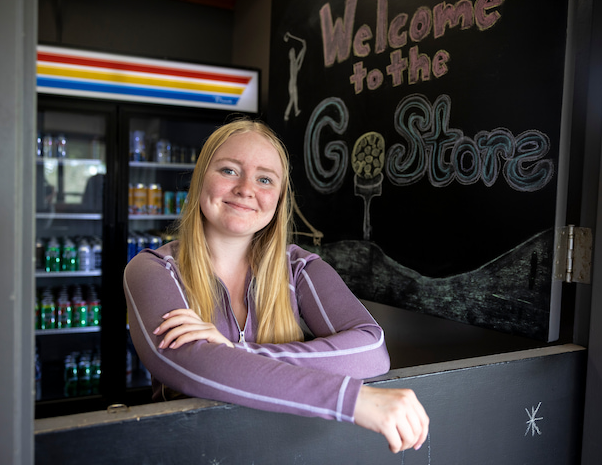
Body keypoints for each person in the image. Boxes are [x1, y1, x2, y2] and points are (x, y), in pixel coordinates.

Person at [123, 118, 429, 453]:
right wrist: (348, 399)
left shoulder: (300, 268)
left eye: (265, 178)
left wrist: (236, 353)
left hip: (285, 451)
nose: (245, 188)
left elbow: (370, 350)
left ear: (279, 198)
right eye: (228, 170)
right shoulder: (153, 270)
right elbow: (185, 361)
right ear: (200, 179)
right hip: (192, 453)